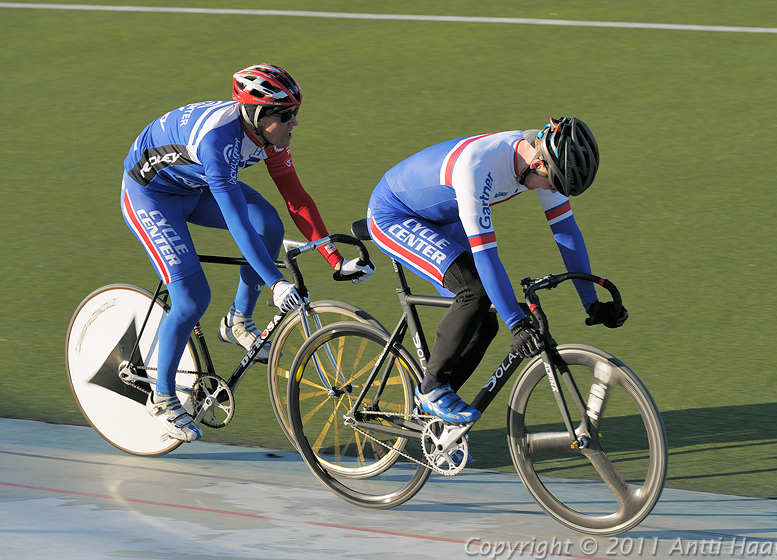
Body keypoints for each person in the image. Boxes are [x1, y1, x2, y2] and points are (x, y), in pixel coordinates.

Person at [121, 64, 374, 442]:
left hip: (194, 185)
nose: (294, 123)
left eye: (295, 112)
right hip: (152, 196)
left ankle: (237, 321)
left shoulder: (269, 135)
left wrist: (336, 261)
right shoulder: (217, 142)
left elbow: (296, 198)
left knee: (269, 225)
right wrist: (276, 282)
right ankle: (161, 397)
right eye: (285, 115)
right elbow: (237, 222)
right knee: (191, 299)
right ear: (257, 115)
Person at [366, 117, 627, 425]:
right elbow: (487, 257)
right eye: (554, 184)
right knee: (473, 291)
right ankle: (431, 389)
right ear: (538, 164)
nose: (553, 190)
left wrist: (591, 302)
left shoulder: (545, 163)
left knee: (483, 322)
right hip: (394, 214)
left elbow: (565, 231)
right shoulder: (477, 168)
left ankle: (431, 421)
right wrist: (516, 324)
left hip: (443, 217)